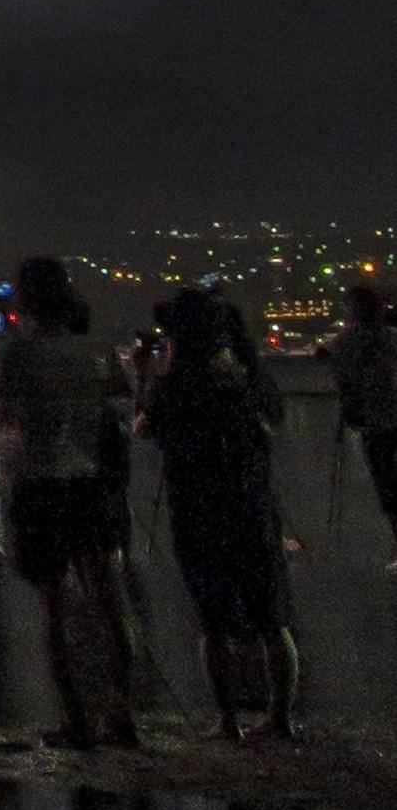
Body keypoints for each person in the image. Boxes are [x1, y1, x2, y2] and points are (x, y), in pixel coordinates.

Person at [0, 254, 135, 751]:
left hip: (42, 485)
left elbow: (4, 419)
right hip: (91, 483)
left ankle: (76, 719)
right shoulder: (97, 350)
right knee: (107, 599)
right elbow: (120, 409)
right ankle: (121, 715)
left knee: (53, 607)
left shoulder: (19, 355)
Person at [145, 286, 297, 739]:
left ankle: (227, 718)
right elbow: (276, 413)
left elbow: (144, 427)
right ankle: (281, 718)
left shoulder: (173, 384)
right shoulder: (245, 376)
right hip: (251, 504)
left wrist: (145, 377)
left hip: (197, 511)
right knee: (272, 620)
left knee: (212, 623)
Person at [332, 276, 397, 556]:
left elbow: (342, 379)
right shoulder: (391, 338)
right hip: (391, 412)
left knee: (385, 482)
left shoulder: (346, 342)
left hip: (372, 421)